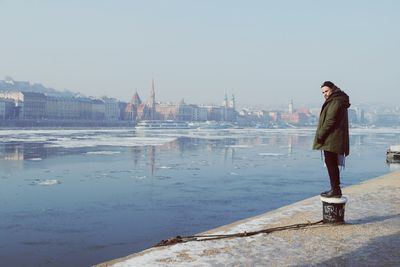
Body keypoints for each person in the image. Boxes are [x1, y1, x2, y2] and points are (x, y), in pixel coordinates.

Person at [313, 81, 350, 198]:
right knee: (331, 163)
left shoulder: (335, 101)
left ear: (333, 89)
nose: (324, 94)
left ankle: (335, 189)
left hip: (331, 139)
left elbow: (330, 121)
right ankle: (335, 189)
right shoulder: (336, 100)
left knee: (331, 164)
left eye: (326, 91)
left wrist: (320, 136)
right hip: (333, 138)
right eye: (323, 92)